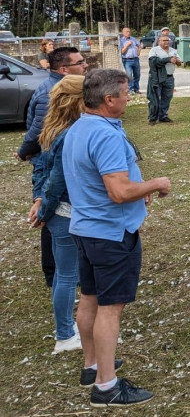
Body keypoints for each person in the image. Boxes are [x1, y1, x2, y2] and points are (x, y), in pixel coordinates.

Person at [62, 69, 171, 407]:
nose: (129, 98)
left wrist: (137, 192)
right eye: (125, 93)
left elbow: (102, 182)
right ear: (109, 100)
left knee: (90, 298)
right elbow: (119, 191)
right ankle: (106, 387)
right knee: (111, 309)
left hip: (85, 229)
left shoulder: (78, 128)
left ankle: (91, 365)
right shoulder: (106, 136)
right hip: (110, 234)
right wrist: (155, 184)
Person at [15, 47, 88, 289]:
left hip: (56, 159)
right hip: (48, 162)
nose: (85, 65)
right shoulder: (53, 91)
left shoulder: (64, 87)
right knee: (52, 216)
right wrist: (24, 151)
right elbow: (39, 130)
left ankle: (65, 269)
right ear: (63, 69)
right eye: (79, 63)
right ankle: (54, 273)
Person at [27, 75, 86, 355]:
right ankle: (64, 333)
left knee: (66, 274)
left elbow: (40, 170)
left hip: (57, 211)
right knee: (68, 275)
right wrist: (44, 207)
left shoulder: (51, 128)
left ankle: (68, 330)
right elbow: (57, 179)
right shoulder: (71, 133)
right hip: (67, 212)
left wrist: (38, 200)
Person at [147, 35, 181, 124]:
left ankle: (163, 116)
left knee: (167, 97)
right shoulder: (154, 50)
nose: (167, 42)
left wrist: (176, 61)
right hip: (157, 78)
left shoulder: (173, 51)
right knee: (154, 98)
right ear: (159, 41)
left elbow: (180, 63)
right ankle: (152, 117)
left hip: (169, 77)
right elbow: (153, 62)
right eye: (164, 40)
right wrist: (168, 59)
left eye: (168, 40)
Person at [119, 27, 141, 94]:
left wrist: (138, 51)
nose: (128, 33)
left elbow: (139, 45)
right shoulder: (121, 40)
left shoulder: (133, 39)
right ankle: (130, 90)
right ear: (123, 33)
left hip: (136, 59)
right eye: (127, 32)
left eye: (129, 31)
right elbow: (121, 52)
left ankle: (136, 89)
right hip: (127, 60)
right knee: (129, 75)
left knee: (137, 75)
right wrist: (127, 45)